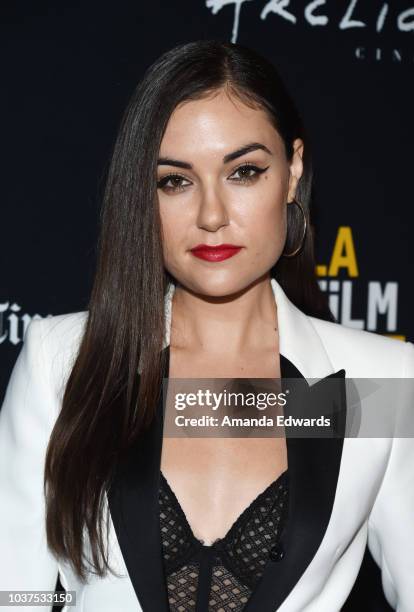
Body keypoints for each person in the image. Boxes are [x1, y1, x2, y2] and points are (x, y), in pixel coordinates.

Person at [0, 39, 413, 612]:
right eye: (175, 181)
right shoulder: (62, 363)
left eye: (244, 172)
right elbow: (13, 593)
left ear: (292, 172)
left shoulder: (379, 380)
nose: (212, 215)